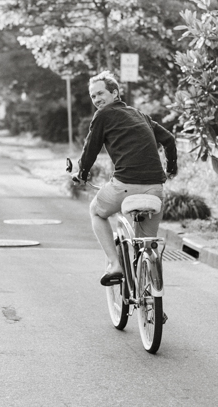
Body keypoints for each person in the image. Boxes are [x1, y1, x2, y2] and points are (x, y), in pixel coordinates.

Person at [74, 71, 178, 286]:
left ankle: (115, 264)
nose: (96, 100)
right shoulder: (140, 115)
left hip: (125, 185)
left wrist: (82, 174)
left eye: (100, 93)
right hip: (155, 189)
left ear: (114, 93)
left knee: (96, 211)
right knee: (147, 245)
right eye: (93, 96)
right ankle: (153, 298)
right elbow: (169, 139)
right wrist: (170, 170)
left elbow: (90, 149)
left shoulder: (103, 115)